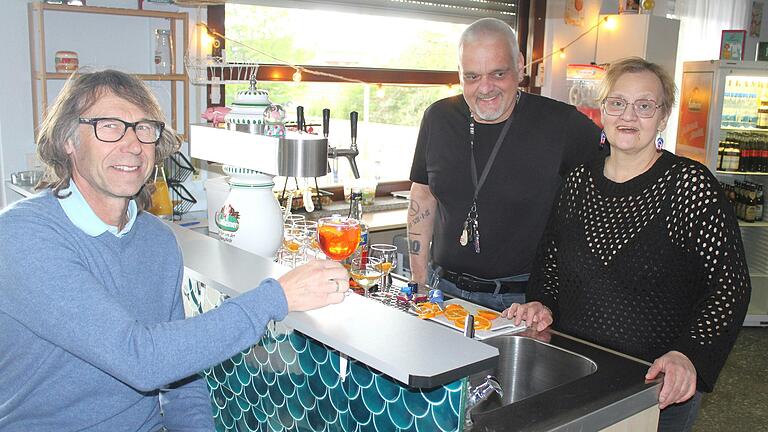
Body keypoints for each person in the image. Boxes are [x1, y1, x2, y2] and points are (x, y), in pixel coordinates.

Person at [0, 70, 349, 431]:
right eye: (109, 126)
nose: (133, 144)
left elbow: (180, 381)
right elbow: (140, 360)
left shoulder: (157, 239)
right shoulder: (22, 236)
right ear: (68, 140)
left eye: (144, 128)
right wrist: (277, 297)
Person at [503, 57, 751, 432]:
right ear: (603, 110)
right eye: (617, 102)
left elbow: (729, 287)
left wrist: (689, 355)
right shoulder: (577, 183)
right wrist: (543, 304)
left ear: (663, 116)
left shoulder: (691, 187)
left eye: (644, 105)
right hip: (576, 374)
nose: (628, 116)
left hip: (654, 384)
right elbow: (550, 265)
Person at [408, 17, 604, 311]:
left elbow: (618, 181)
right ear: (460, 73)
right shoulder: (437, 118)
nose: (485, 88)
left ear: (520, 65)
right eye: (472, 76)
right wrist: (419, 279)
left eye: (498, 73)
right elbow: (422, 196)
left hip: (521, 303)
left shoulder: (564, 124)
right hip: (442, 292)